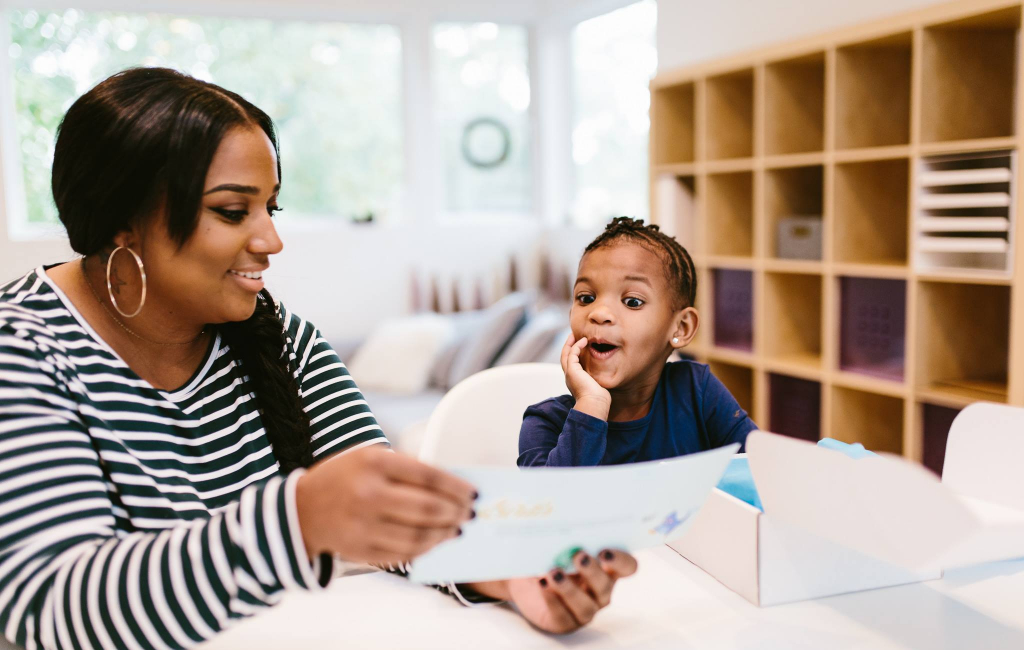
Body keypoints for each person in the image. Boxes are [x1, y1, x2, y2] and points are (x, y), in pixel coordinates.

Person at [0, 67, 636, 649]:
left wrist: (513, 576)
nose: (271, 240)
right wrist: (298, 522)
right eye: (231, 211)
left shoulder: (280, 339)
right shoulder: (23, 350)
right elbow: (50, 607)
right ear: (124, 219)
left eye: (270, 208)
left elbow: (388, 515)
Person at [518, 217, 756, 467]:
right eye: (586, 298)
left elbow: (760, 472)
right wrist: (591, 406)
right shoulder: (544, 423)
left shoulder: (697, 391)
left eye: (632, 301)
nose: (598, 313)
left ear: (681, 327)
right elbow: (552, 504)